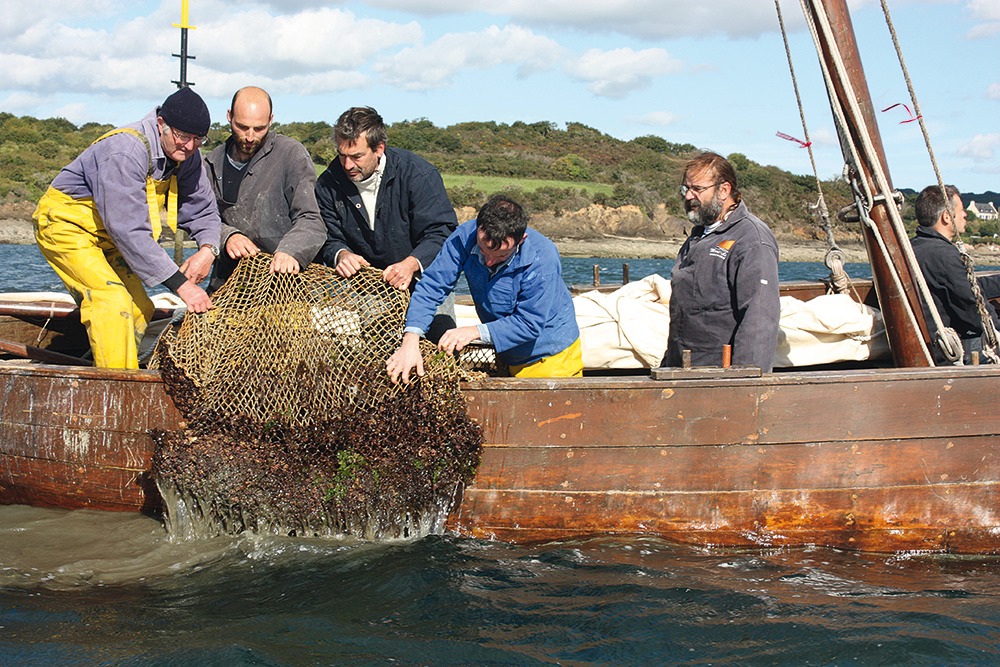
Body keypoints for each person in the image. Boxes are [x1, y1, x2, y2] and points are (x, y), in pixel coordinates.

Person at [32, 87, 221, 369]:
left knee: (141, 307)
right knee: (112, 301)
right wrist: (182, 286)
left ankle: (121, 366)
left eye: (198, 139)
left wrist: (208, 249)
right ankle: (117, 389)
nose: (190, 146)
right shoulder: (125, 151)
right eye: (183, 136)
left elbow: (203, 209)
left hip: (108, 238)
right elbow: (129, 231)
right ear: (161, 124)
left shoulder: (188, 156)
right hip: (66, 227)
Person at [386, 194, 582, 382]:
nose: (488, 261)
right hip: (506, 352)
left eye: (501, 256)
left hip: (549, 354)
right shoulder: (464, 236)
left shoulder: (543, 259)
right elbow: (432, 286)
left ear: (521, 240)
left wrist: (474, 331)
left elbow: (529, 323)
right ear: (478, 229)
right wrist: (410, 341)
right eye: (482, 250)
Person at [314, 106, 457, 292]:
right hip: (365, 289)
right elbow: (327, 236)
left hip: (427, 284)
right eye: (342, 156)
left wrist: (410, 264)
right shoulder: (327, 183)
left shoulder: (419, 175)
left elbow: (442, 231)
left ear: (379, 148)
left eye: (357, 156)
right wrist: (341, 254)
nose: (348, 165)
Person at [661, 152, 780, 372]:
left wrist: (744, 382)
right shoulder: (698, 237)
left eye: (697, 189)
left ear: (724, 190)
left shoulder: (752, 239)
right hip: (683, 369)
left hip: (719, 376)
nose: (688, 196)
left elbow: (760, 318)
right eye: (686, 189)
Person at [205, 86, 326, 291]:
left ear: (270, 120)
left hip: (287, 286)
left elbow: (312, 219)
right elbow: (201, 218)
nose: (250, 137)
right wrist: (227, 236)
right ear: (229, 117)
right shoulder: (211, 162)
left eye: (259, 128)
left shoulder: (292, 154)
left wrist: (291, 251)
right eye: (242, 127)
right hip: (229, 284)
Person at [911, 184, 1000, 364]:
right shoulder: (944, 256)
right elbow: (977, 315)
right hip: (948, 351)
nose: (965, 214)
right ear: (946, 217)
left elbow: (967, 288)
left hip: (931, 343)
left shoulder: (916, 248)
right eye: (961, 210)